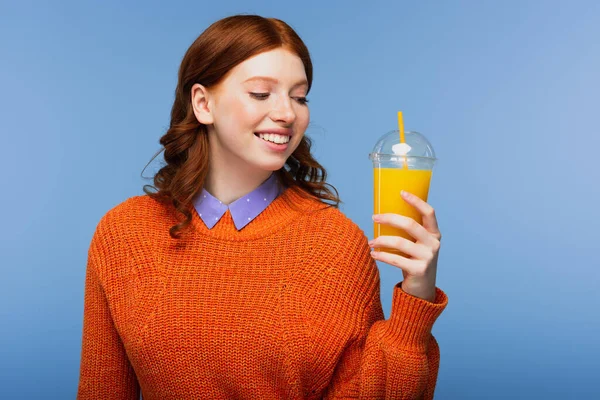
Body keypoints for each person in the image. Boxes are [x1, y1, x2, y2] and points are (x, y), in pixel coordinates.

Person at [76, 14, 447, 400]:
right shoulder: (124, 232)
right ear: (203, 104)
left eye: (299, 96)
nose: (288, 113)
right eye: (260, 93)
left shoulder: (336, 244)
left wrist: (415, 302)